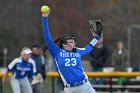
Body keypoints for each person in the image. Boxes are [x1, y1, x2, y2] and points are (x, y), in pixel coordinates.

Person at [41, 5, 102, 93]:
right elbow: (46, 34)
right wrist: (44, 17)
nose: (74, 43)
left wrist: (96, 38)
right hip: (70, 89)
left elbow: (88, 48)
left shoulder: (77, 51)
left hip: (85, 86)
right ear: (65, 44)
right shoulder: (56, 52)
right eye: (71, 41)